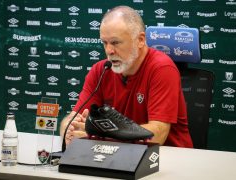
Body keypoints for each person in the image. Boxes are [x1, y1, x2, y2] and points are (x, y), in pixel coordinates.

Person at [60, 5, 193, 148]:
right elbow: (70, 120)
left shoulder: (162, 69)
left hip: (167, 159)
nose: (109, 51)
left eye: (115, 42)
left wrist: (96, 138)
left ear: (140, 40)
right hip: (117, 157)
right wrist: (70, 129)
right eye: (105, 43)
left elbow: (158, 135)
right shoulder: (101, 70)